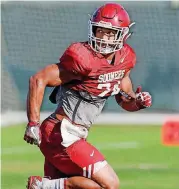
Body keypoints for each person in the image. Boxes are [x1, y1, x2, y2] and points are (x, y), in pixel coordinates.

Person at [24, 3, 152, 189]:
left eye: (110, 32)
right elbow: (38, 79)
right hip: (60, 133)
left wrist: (138, 102)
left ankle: (48, 186)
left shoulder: (125, 59)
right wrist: (33, 123)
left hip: (74, 134)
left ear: (123, 35)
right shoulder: (82, 58)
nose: (104, 37)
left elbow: (124, 99)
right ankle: (42, 186)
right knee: (110, 184)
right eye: (100, 31)